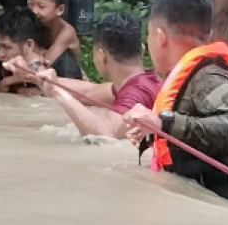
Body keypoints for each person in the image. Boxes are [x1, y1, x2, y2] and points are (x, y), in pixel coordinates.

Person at [123, 0, 228, 214]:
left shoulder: (209, 76)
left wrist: (164, 123)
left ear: (160, 37)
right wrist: (155, 130)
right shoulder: (193, 78)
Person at [18, 12, 162, 139]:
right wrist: (33, 75)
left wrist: (58, 93)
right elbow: (88, 92)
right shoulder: (143, 81)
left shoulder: (136, 93)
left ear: (101, 55)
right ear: (142, 50)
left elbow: (106, 134)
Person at [29, 0, 81, 68]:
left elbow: (46, 63)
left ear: (60, 9)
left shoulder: (66, 32)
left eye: (41, 6)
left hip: (66, 72)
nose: (34, 10)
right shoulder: (36, 22)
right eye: (31, 4)